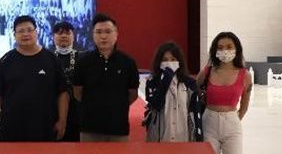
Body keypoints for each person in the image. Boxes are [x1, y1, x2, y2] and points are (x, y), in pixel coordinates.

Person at [0, 15, 68, 142]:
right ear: (14, 35)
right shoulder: (5, 61)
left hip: (45, 126)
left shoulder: (52, 59)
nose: (25, 34)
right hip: (13, 127)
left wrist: (62, 121)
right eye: (21, 31)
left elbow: (62, 93)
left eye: (29, 30)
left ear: (36, 32)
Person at [197, 31, 252, 154]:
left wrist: (233, 120)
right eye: (220, 47)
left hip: (232, 124)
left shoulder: (245, 75)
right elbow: (194, 91)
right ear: (215, 50)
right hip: (209, 122)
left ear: (236, 49)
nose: (225, 51)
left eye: (229, 47)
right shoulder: (207, 71)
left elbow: (244, 105)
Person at [72, 13, 139, 142]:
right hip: (89, 128)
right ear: (93, 35)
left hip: (118, 128)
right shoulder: (83, 62)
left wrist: (116, 105)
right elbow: (77, 92)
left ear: (116, 34)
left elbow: (133, 94)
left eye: (108, 32)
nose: (103, 36)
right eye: (98, 32)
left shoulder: (128, 62)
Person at [143, 41, 203, 142]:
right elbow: (156, 104)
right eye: (165, 60)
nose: (169, 62)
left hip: (183, 137)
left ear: (179, 61)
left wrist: (199, 136)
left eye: (173, 59)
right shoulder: (152, 82)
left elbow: (196, 111)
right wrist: (166, 78)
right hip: (161, 138)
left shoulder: (189, 83)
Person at [51, 21, 81, 142]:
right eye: (59, 33)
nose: (63, 36)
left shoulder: (82, 58)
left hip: (77, 111)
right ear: (53, 37)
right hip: (54, 111)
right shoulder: (47, 58)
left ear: (73, 36)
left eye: (68, 33)